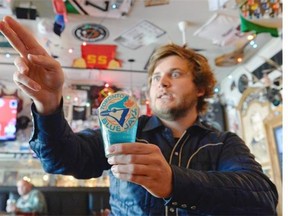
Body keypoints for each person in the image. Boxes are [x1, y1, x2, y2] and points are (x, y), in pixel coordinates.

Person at [0, 16, 278, 215]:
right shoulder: (125, 130)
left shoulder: (223, 143)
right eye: (156, 77)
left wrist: (174, 182)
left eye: (175, 74)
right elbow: (62, 159)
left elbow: (263, 197)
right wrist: (48, 105)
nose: (162, 82)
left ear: (201, 88)